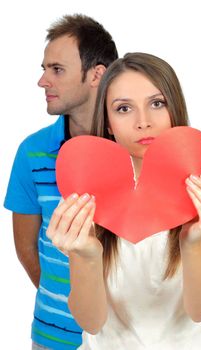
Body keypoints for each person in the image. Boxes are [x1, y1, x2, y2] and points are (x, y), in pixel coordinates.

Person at [46, 52, 201, 350]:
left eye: (157, 103)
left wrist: (191, 243)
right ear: (108, 123)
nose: (143, 122)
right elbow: (91, 322)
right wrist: (87, 255)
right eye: (124, 108)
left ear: (174, 109)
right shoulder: (87, 197)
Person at [4, 14, 118, 350]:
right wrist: (65, 301)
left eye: (57, 69)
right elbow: (26, 247)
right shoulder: (33, 153)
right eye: (44, 69)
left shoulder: (135, 148)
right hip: (54, 338)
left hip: (125, 339)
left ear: (97, 74)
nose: (43, 81)